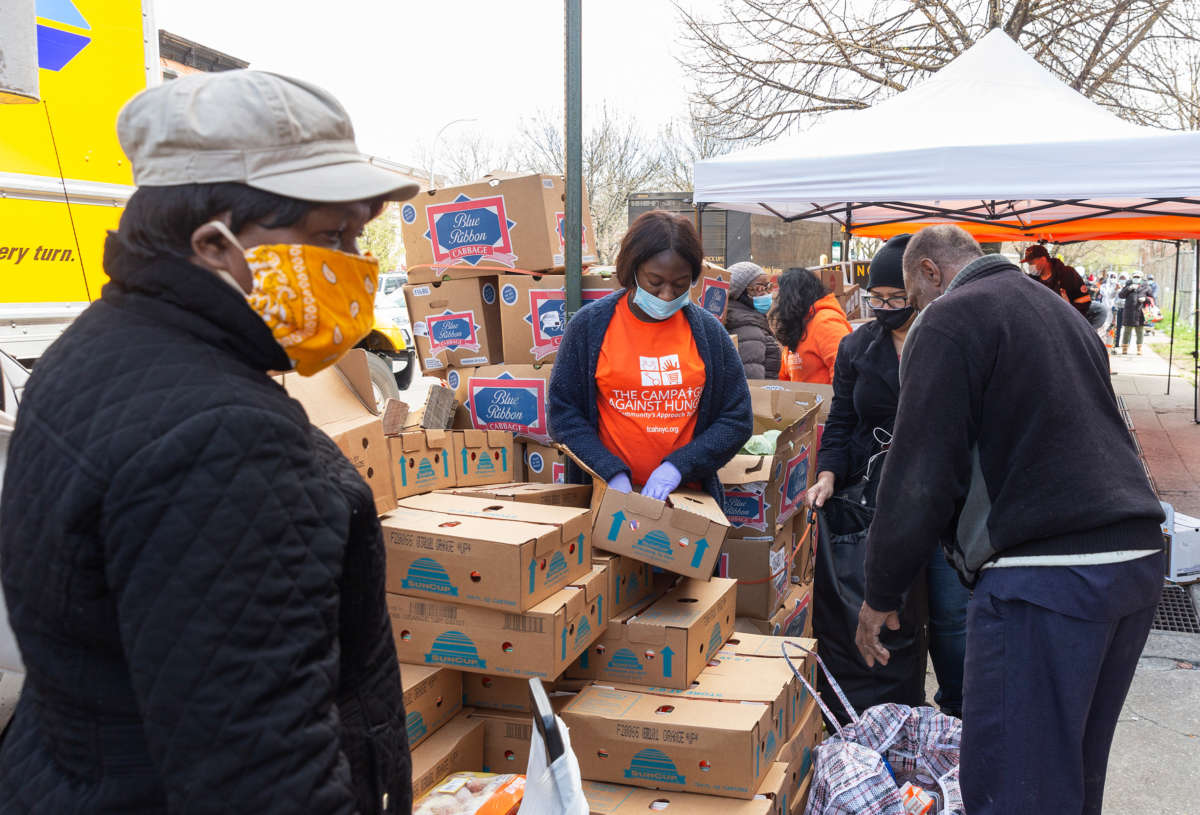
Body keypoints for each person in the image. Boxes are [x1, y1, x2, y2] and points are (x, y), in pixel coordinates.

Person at [0, 71, 416, 812]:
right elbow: (264, 775)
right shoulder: (227, 440)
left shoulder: (96, 346)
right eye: (331, 236)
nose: (356, 266)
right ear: (214, 245)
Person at [854, 225, 1164, 815]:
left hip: (1047, 578)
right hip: (1135, 559)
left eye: (913, 298)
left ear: (929, 273)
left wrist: (881, 591)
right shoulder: (1060, 310)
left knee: (1016, 782)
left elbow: (919, 473)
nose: (912, 313)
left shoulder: (948, 318)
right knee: (1072, 772)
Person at [807, 233, 968, 718]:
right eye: (876, 299)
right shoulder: (858, 347)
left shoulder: (949, 341)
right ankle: (888, 711)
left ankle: (958, 712)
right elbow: (840, 422)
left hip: (945, 503)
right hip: (873, 502)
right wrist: (829, 473)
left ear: (918, 289)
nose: (885, 307)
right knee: (885, 611)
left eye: (896, 299)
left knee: (950, 618)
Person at [548, 210, 752, 504]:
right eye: (655, 281)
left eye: (680, 284)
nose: (667, 295)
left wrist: (677, 467)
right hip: (606, 500)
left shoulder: (709, 334)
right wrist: (609, 472)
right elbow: (563, 413)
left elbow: (737, 418)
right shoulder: (589, 327)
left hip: (688, 503)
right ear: (632, 269)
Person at [771, 267, 852, 384]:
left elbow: (843, 370)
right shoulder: (797, 325)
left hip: (825, 400)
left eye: (781, 297)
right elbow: (785, 377)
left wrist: (837, 401)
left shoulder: (826, 321)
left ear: (794, 297)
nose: (778, 302)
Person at [724, 261, 782, 379]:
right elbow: (752, 380)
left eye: (768, 287)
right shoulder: (748, 328)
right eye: (759, 288)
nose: (765, 293)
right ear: (739, 292)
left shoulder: (744, 319)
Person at [1022, 244, 1091, 317]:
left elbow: (1085, 299)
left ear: (1043, 260)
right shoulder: (1032, 280)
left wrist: (1068, 307)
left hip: (1068, 322)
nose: (1029, 266)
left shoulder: (1067, 273)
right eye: (1028, 263)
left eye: (1031, 263)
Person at [1118, 271, 1155, 355]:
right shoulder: (1128, 285)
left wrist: (1145, 299)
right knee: (1127, 331)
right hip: (1129, 312)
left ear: (1141, 278)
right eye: (1135, 277)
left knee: (1140, 331)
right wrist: (1129, 288)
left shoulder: (1146, 287)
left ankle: (1139, 349)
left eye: (1138, 277)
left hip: (1141, 313)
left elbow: (1152, 298)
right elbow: (1121, 295)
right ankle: (1124, 348)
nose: (1136, 278)